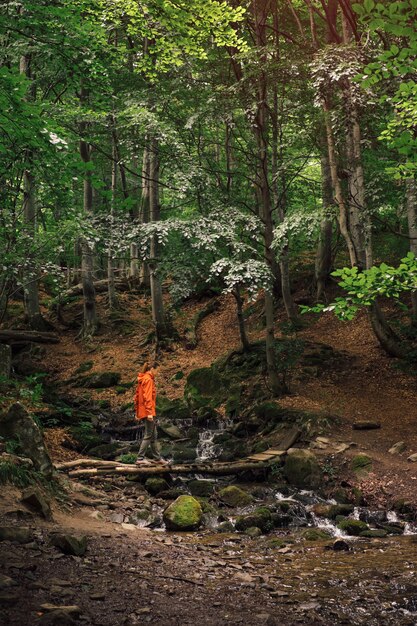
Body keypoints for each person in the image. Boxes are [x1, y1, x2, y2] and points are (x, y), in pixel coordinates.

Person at [134, 361, 168, 465]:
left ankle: (157, 458)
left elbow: (137, 397)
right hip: (148, 411)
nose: (158, 372)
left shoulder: (143, 379)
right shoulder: (148, 380)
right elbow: (147, 397)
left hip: (144, 410)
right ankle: (140, 458)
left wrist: (137, 412)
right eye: (158, 370)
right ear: (152, 369)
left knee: (154, 435)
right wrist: (149, 413)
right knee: (148, 435)